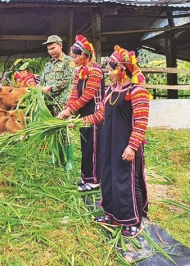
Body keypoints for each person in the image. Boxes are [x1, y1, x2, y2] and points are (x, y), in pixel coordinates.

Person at [82, 45, 150, 238]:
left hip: (126, 145)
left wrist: (132, 146)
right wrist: (79, 122)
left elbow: (141, 122)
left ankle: (133, 221)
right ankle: (112, 215)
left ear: (121, 69)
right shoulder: (112, 90)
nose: (109, 73)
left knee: (127, 180)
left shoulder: (137, 91)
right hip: (109, 143)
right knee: (109, 177)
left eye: (111, 69)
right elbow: (100, 115)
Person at [58, 35, 105, 191]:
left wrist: (71, 110)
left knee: (93, 146)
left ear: (84, 55)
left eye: (75, 56)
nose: (74, 59)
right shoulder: (80, 71)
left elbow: (87, 95)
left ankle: (94, 180)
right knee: (85, 144)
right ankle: (86, 177)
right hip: (84, 112)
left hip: (96, 113)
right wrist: (67, 109)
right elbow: (74, 93)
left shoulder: (96, 71)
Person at [39, 35, 75, 169]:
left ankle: (69, 161)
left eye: (53, 48)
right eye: (48, 49)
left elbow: (68, 79)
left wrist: (51, 88)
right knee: (54, 130)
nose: (51, 51)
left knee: (65, 129)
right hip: (49, 102)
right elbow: (42, 81)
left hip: (63, 102)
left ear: (60, 45)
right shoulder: (48, 64)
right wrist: (39, 89)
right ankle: (56, 158)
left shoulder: (69, 61)